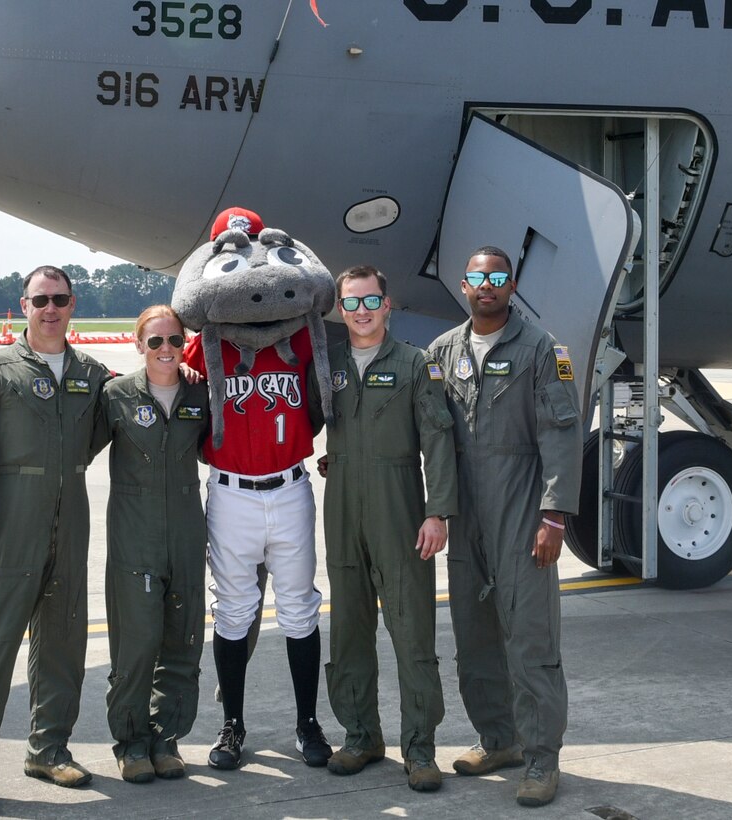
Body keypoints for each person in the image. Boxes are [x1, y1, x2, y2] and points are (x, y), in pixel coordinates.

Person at [174, 207, 335, 772]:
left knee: (299, 608)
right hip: (231, 492)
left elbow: (319, 404)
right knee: (234, 611)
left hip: (290, 487)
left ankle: (307, 723)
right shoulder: (204, 347)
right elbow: (173, 378)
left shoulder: (299, 337)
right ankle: (233, 725)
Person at [0, 266, 111, 817]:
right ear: (24, 305)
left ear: (72, 304)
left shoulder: (91, 372)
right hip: (13, 516)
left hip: (73, 514)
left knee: (63, 641)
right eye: (41, 299)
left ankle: (48, 750)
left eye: (60, 299)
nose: (51, 308)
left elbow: (108, 429)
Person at [428, 247, 582, 808]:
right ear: (464, 286)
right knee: (475, 636)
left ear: (511, 284)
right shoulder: (443, 350)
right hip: (464, 511)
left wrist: (554, 515)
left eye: (496, 277)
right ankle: (499, 740)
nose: (486, 286)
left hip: (521, 506)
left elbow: (561, 434)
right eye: (477, 278)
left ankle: (542, 756)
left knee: (530, 638)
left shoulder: (544, 349)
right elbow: (427, 427)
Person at [310, 265, 458, 792]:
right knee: (349, 631)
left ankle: (420, 749)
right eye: (351, 304)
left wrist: (437, 512)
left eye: (370, 301)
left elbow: (438, 440)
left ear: (387, 305)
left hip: (400, 509)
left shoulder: (416, 365)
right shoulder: (329, 367)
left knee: (411, 633)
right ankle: (361, 736)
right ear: (340, 311)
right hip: (343, 507)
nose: (362, 312)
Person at [91, 305, 209, 784]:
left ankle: (167, 739)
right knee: (137, 645)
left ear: (185, 345)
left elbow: (233, 443)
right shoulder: (116, 396)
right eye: (155, 341)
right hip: (134, 533)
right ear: (139, 345)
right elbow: (74, 449)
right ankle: (132, 742)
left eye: (174, 341)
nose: (166, 350)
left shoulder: (201, 394)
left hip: (185, 529)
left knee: (182, 640)